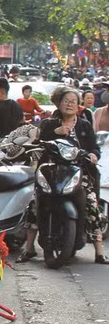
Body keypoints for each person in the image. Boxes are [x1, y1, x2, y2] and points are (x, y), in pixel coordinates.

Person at [19, 88, 105, 264]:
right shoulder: (49, 123)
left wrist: (94, 155)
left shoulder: (84, 125)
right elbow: (39, 140)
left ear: (78, 104)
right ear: (59, 103)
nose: (70, 104)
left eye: (74, 101)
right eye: (66, 100)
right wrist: (56, 133)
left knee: (91, 202)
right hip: (51, 171)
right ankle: (29, 248)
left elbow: (94, 147)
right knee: (35, 203)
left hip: (78, 171)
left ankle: (99, 251)